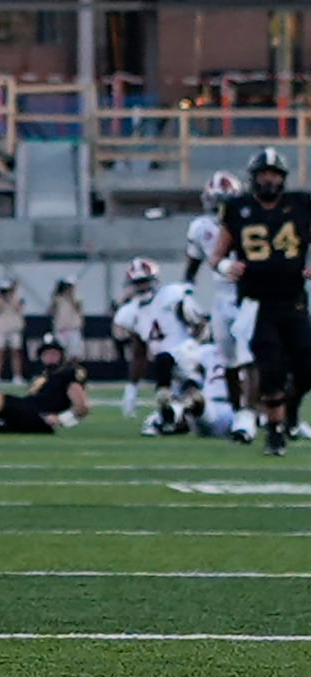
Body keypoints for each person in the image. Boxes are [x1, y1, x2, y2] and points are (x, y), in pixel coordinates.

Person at [212, 147, 311, 456]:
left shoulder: (301, 205)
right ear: (254, 178)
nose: (270, 179)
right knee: (271, 369)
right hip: (256, 304)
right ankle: (275, 432)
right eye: (264, 174)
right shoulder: (237, 208)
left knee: (306, 366)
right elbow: (216, 255)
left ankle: (290, 413)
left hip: (294, 300)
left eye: (275, 174)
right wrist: (227, 266)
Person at [111, 257, 206, 437]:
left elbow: (200, 326)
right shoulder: (130, 312)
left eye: (144, 282)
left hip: (188, 354)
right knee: (158, 420)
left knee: (176, 370)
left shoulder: (173, 295)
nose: (142, 287)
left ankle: (175, 409)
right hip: (167, 368)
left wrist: (201, 350)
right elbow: (139, 352)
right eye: (137, 283)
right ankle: (174, 412)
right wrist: (132, 387)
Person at [185, 170, 245, 415]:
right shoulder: (200, 228)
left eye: (224, 201)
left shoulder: (249, 220)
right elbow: (192, 267)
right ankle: (238, 412)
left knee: (262, 355)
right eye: (215, 200)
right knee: (228, 357)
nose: (219, 207)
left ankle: (269, 412)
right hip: (222, 296)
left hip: (250, 293)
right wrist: (186, 293)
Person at [0, 277, 25, 385]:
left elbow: (19, 307)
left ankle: (17, 376)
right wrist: (0, 296)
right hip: (1, 328)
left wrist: (13, 293)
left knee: (15, 352)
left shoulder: (17, 298)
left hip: (14, 328)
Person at [48, 278, 86, 362]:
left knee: (75, 353)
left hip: (73, 328)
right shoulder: (57, 299)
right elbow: (51, 311)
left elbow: (80, 311)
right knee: (61, 352)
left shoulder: (77, 298)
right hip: (61, 329)